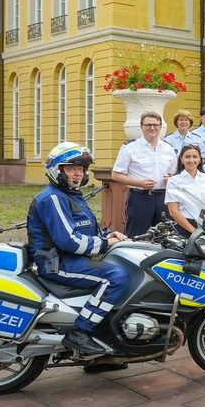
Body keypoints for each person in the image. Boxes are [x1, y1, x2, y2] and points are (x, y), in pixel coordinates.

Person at [28, 142, 129, 356]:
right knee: (115, 277)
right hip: (57, 262)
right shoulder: (53, 198)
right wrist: (104, 244)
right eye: (71, 168)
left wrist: (107, 235)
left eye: (81, 169)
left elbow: (83, 230)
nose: (78, 173)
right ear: (58, 170)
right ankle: (80, 332)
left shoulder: (70, 195)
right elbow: (69, 241)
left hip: (69, 258)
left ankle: (102, 338)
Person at [112, 111, 177, 238]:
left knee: (165, 237)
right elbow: (116, 175)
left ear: (160, 127)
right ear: (141, 127)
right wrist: (139, 183)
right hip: (140, 197)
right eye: (148, 125)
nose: (152, 128)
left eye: (155, 125)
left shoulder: (168, 148)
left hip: (164, 197)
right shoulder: (130, 148)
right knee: (136, 236)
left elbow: (174, 172)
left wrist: (171, 179)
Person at [165, 144, 205, 236]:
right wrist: (194, 232)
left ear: (200, 159)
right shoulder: (173, 181)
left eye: (195, 157)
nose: (191, 160)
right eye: (187, 157)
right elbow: (173, 212)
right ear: (181, 159)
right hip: (184, 227)